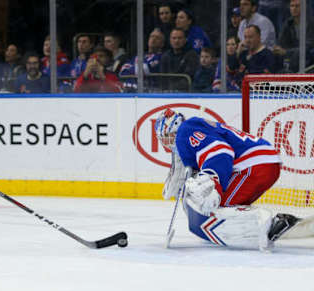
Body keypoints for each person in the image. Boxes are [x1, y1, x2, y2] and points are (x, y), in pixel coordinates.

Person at [155, 108, 299, 250]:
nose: (166, 143)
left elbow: (220, 150)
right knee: (224, 204)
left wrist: (213, 181)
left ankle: (274, 224)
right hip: (262, 163)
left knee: (215, 205)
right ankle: (279, 225)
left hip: (256, 165)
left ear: (172, 130)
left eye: (165, 137)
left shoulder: (184, 132)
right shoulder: (191, 129)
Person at [272, 0, 314, 73]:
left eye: (297, 6)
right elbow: (281, 43)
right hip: (292, 58)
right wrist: (278, 49)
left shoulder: (311, 23)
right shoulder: (288, 23)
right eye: (292, 6)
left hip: (308, 60)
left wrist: (286, 52)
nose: (294, 8)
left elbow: (308, 47)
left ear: (304, 8)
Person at [119, 28, 165, 92]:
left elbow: (141, 70)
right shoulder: (140, 55)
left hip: (149, 91)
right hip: (130, 90)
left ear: (162, 44)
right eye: (151, 36)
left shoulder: (161, 57)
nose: (153, 39)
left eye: (157, 38)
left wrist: (131, 69)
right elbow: (123, 69)